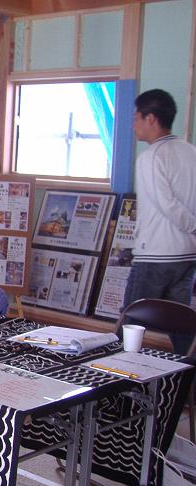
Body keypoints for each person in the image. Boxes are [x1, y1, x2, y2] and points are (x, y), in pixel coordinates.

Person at [124, 88, 196, 354]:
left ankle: (114, 375)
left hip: (156, 254)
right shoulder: (191, 151)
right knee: (182, 326)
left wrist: (193, 226)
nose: (133, 125)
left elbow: (168, 204)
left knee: (130, 325)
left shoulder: (151, 157)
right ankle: (186, 377)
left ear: (151, 118)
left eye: (136, 118)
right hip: (187, 254)